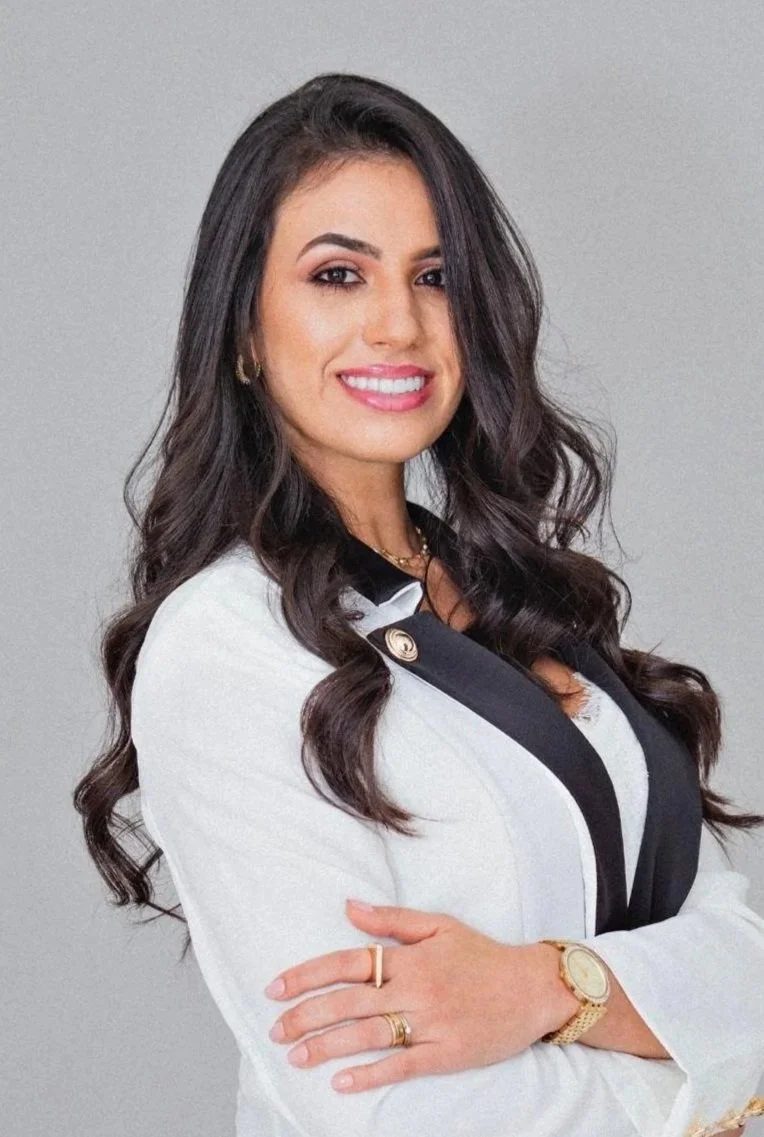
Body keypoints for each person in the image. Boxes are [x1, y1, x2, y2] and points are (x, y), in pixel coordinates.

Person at [73, 73, 764, 1137]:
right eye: (338, 274)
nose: (398, 323)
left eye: (435, 277)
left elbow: (739, 952)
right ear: (243, 332)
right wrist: (706, 1091)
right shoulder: (227, 645)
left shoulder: (517, 597)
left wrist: (546, 986)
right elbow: (382, 1105)